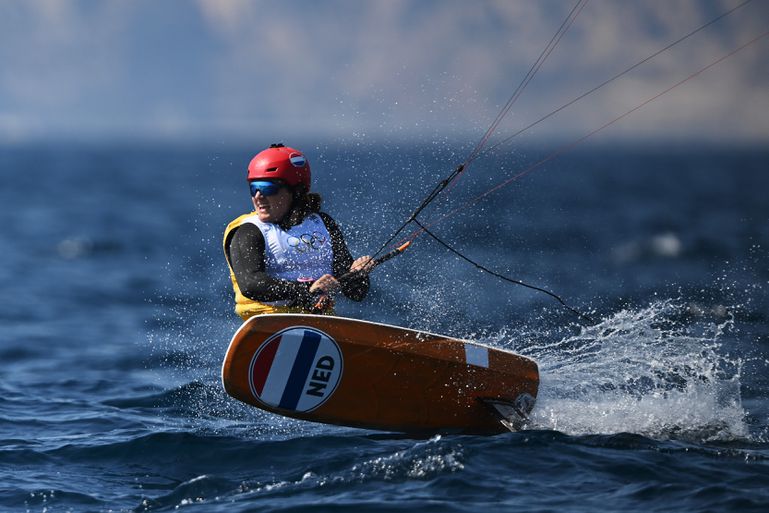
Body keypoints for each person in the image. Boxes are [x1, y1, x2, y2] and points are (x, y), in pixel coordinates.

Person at [223, 143, 374, 320]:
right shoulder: (248, 231)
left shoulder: (323, 224)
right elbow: (251, 284)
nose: (258, 196)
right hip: (267, 324)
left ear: (295, 191)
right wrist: (307, 289)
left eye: (267, 188)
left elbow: (357, 293)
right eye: (253, 188)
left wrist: (358, 275)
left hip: (321, 322)